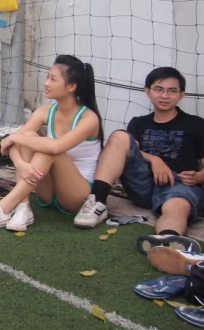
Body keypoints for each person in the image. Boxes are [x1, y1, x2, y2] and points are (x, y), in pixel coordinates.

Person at [73, 67, 204, 253]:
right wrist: (155, 160)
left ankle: (165, 241)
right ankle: (98, 202)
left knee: (178, 206)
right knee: (119, 136)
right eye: (159, 89)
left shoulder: (196, 124)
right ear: (147, 91)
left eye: (172, 90)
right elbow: (127, 150)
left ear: (181, 95)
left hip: (179, 184)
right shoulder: (139, 123)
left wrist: (198, 177)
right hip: (142, 183)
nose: (165, 95)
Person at [0, 55, 103, 231]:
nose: (46, 83)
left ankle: (3, 209)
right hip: (46, 192)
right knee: (30, 136)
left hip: (75, 195)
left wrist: (15, 136)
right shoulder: (44, 111)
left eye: (53, 79)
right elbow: (12, 146)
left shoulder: (88, 118)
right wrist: (21, 164)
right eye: (47, 77)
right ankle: (24, 207)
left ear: (71, 86)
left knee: (46, 146)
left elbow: (55, 147)